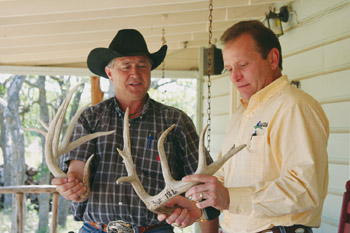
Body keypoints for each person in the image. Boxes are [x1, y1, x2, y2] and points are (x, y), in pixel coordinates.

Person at [158, 20, 329, 233]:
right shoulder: (242, 114)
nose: (235, 77)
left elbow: (305, 190)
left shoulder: (294, 106)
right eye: (229, 69)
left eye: (243, 65)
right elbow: (224, 179)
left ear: (273, 59)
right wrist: (197, 206)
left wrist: (229, 198)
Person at [52, 29, 219, 233]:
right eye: (126, 66)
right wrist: (73, 187)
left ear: (150, 71)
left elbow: (204, 185)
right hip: (97, 229)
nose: (135, 73)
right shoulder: (90, 118)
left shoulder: (175, 121)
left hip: (155, 229)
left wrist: (200, 215)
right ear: (110, 73)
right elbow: (77, 171)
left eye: (142, 65)